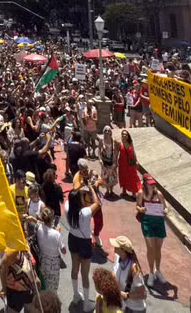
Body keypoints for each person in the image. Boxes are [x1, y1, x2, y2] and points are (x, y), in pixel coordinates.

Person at [65, 180, 101, 310]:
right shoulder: (85, 212)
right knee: (84, 273)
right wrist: (91, 187)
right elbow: (97, 203)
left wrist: (79, 187)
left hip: (73, 239)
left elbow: (72, 195)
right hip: (84, 242)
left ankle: (76, 295)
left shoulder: (67, 206)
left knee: (74, 268)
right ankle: (86, 303)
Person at [136, 175, 167, 285]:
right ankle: (150, 272)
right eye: (150, 183)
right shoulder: (141, 193)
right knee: (150, 248)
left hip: (159, 222)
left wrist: (166, 211)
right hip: (147, 222)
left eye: (153, 183)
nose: (152, 185)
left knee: (158, 248)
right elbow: (137, 206)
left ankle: (157, 270)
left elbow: (166, 207)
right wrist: (141, 209)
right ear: (145, 183)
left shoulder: (159, 194)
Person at [110, 236, 147, 312]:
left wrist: (126, 295)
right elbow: (114, 272)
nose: (114, 247)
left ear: (123, 250)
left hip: (135, 309)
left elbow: (143, 294)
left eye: (116, 246)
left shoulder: (134, 269)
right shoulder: (117, 258)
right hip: (121, 305)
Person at [0, 249, 37, 313]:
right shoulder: (13, 250)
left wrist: (35, 277)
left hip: (28, 289)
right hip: (16, 292)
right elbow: (2, 266)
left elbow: (29, 262)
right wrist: (3, 288)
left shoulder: (24, 244)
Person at [117, 130, 141, 197]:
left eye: (126, 134)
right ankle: (124, 191)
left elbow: (133, 152)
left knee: (133, 177)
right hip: (122, 163)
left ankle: (134, 192)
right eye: (123, 134)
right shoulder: (119, 143)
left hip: (131, 162)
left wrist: (136, 161)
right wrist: (115, 162)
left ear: (128, 136)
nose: (124, 135)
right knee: (123, 176)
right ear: (121, 135)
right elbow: (116, 154)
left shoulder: (130, 142)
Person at [99, 127, 118, 198]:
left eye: (109, 131)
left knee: (112, 177)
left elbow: (116, 152)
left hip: (112, 161)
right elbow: (99, 151)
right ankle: (107, 190)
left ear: (111, 132)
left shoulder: (114, 141)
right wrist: (100, 159)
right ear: (103, 132)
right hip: (104, 162)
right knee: (106, 177)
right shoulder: (101, 140)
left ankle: (111, 190)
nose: (107, 132)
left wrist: (115, 162)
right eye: (105, 131)